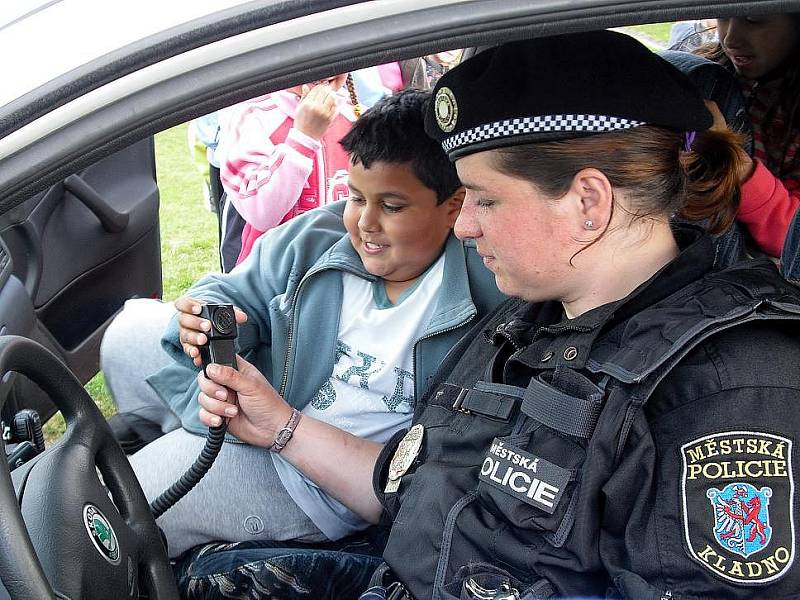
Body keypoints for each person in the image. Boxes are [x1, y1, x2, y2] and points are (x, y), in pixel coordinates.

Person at [194, 31, 800, 599]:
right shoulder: (528, 320)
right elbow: (409, 489)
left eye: (484, 199)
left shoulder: (727, 388)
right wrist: (280, 424)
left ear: (588, 201)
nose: (464, 225)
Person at [101, 89, 506, 559]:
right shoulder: (317, 236)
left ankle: (173, 514)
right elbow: (232, 292)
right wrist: (208, 321)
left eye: (392, 207)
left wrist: (279, 425)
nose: (365, 223)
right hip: (269, 403)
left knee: (120, 506)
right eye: (356, 197)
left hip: (318, 484)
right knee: (126, 334)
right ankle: (186, 448)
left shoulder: (489, 282)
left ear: (454, 207)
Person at [696, 14, 800, 280]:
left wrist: (734, 163)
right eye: (722, 18)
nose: (730, 38)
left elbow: (793, 239)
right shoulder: (708, 72)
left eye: (753, 20)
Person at [216, 74, 356, 269]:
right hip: (272, 278)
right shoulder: (252, 116)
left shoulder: (356, 117)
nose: (324, 70)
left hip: (341, 272)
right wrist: (303, 138)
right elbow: (261, 213)